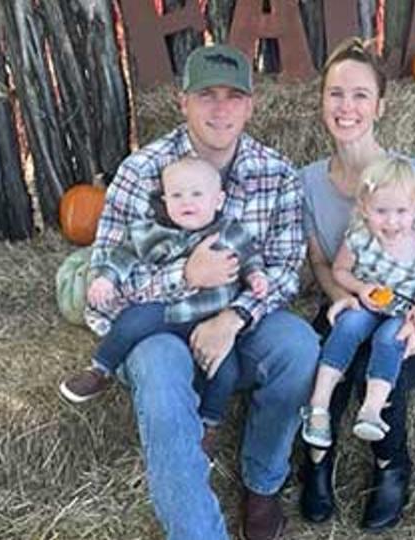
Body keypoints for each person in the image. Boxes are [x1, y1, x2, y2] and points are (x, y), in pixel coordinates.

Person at [89, 43, 319, 540]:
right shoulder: (140, 172)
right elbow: (103, 289)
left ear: (251, 105)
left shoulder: (277, 175)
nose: (220, 109)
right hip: (159, 326)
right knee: (158, 373)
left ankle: (262, 486)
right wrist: (186, 278)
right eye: (206, 95)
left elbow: (282, 271)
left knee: (299, 347)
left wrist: (232, 317)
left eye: (233, 96)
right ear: (182, 102)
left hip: (234, 317)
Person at [298, 37, 415, 531]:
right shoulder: (306, 182)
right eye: (336, 94)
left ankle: (392, 466)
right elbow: (324, 265)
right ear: (322, 101)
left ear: (380, 106)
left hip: (410, 311)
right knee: (322, 354)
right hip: (353, 303)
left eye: (360, 95)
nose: (347, 107)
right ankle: (316, 466)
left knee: (378, 362)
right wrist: (344, 298)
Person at [60, 156, 268, 452]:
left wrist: (256, 275)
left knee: (227, 372)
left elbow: (250, 257)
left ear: (219, 199)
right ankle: (100, 369)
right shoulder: (150, 231)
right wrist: (106, 279)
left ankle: (210, 424)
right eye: (177, 195)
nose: (187, 201)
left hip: (213, 320)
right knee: (132, 321)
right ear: (165, 199)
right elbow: (122, 256)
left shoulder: (231, 231)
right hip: (170, 312)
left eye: (197, 194)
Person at [300, 155, 415, 449]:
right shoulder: (360, 238)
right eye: (381, 211)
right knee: (348, 324)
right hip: (371, 304)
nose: (391, 221)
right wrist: (360, 288)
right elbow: (339, 271)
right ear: (364, 208)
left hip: (406, 313)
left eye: (401, 211)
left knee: (391, 337)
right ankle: (319, 404)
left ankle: (372, 410)